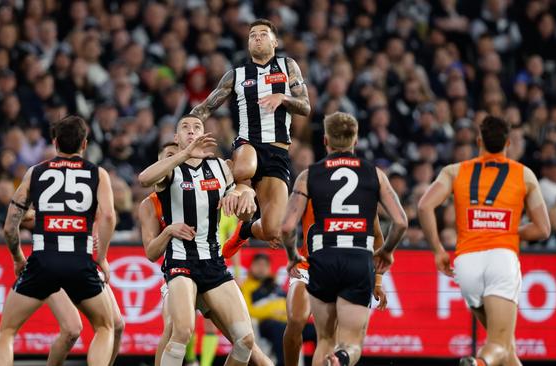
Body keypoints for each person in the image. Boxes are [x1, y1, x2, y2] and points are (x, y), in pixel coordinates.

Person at [418, 115, 551, 366]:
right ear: (508, 144)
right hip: (501, 259)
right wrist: (508, 230)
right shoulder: (524, 175)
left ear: (479, 141)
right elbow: (543, 229)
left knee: (506, 346)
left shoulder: (454, 171)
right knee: (498, 346)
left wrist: (437, 250)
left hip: (466, 263)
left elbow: (425, 206)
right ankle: (479, 363)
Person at [281, 112, 407, 366]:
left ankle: (331, 356)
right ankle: (341, 357)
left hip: (322, 259)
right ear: (356, 140)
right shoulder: (374, 174)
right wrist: (387, 252)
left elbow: (286, 227)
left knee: (324, 338)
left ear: (325, 141)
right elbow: (401, 222)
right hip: (358, 259)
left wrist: (293, 255)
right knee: (350, 342)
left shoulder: (309, 175)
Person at [0, 115, 117, 366]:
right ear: (84, 144)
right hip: (79, 263)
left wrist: (18, 258)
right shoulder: (98, 174)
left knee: (6, 333)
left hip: (42, 261)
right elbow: (109, 217)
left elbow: (9, 227)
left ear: (55, 142)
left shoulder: (35, 172)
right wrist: (101, 258)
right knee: (106, 327)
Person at [138, 114, 259, 366]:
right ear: (176, 138)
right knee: (181, 331)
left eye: (196, 127)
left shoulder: (220, 167)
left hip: (214, 263)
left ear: (205, 133)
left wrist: (244, 194)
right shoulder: (171, 170)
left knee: (246, 341)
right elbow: (144, 179)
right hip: (182, 262)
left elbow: (243, 196)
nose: (191, 131)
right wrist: (183, 154)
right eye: (185, 127)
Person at [189, 18, 311, 254]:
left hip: (278, 153)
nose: (257, 37)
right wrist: (186, 128)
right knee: (244, 171)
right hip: (248, 143)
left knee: (274, 231)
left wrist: (283, 98)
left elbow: (305, 107)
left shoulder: (288, 66)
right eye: (252, 35)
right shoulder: (236, 74)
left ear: (275, 42)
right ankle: (232, 180)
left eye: (263, 34)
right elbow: (205, 108)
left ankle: (244, 230)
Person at [282, 202, 387, 366]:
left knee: (331, 340)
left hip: (342, 272)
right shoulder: (311, 189)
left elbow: (378, 238)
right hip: (308, 266)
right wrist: (291, 255)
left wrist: (378, 280)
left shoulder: (362, 198)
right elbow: (285, 224)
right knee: (296, 321)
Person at [20, 209, 125, 366]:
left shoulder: (90, 186)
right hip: (50, 262)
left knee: (117, 326)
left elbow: (106, 214)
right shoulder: (44, 186)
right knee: (72, 330)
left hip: (81, 261)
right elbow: (20, 215)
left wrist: (97, 237)